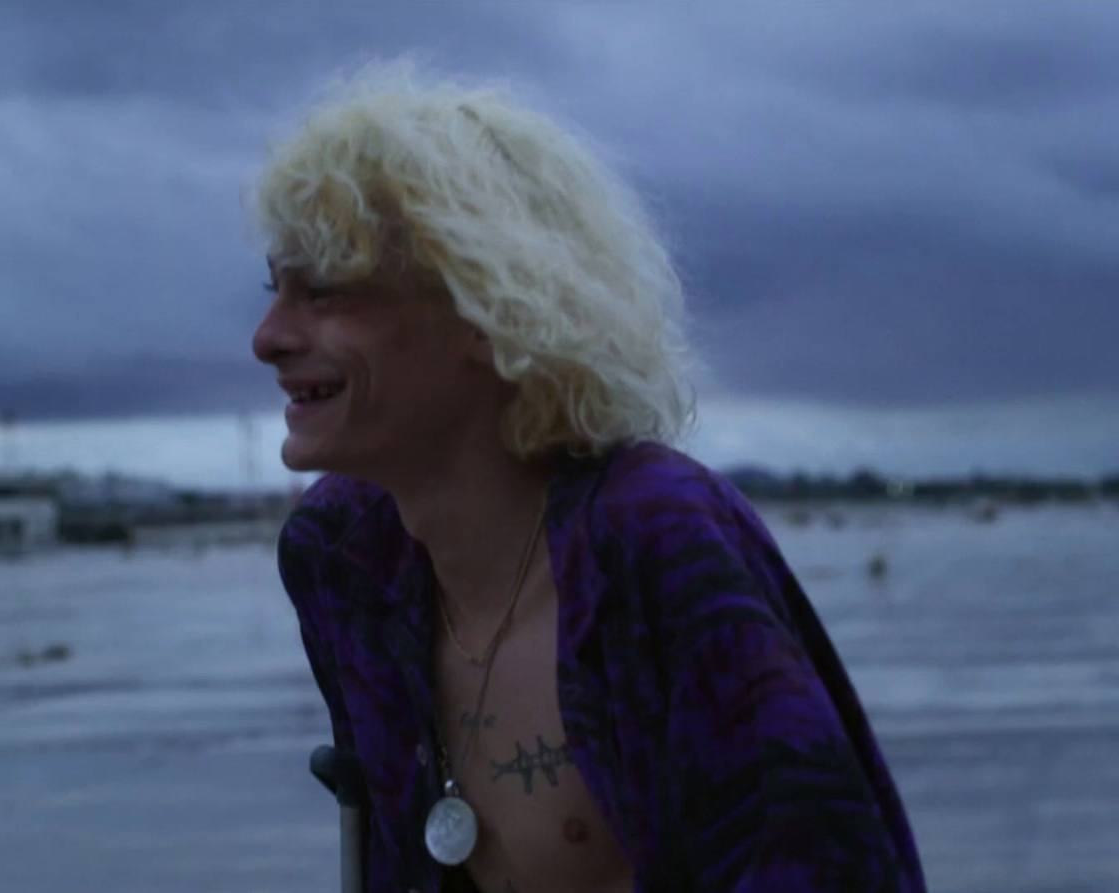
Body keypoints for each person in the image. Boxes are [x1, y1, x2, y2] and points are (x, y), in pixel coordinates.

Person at [250, 64, 927, 893]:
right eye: (273, 291)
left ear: (485, 309)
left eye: (324, 291)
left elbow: (826, 864)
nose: (268, 336)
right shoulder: (342, 559)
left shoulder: (651, 537)